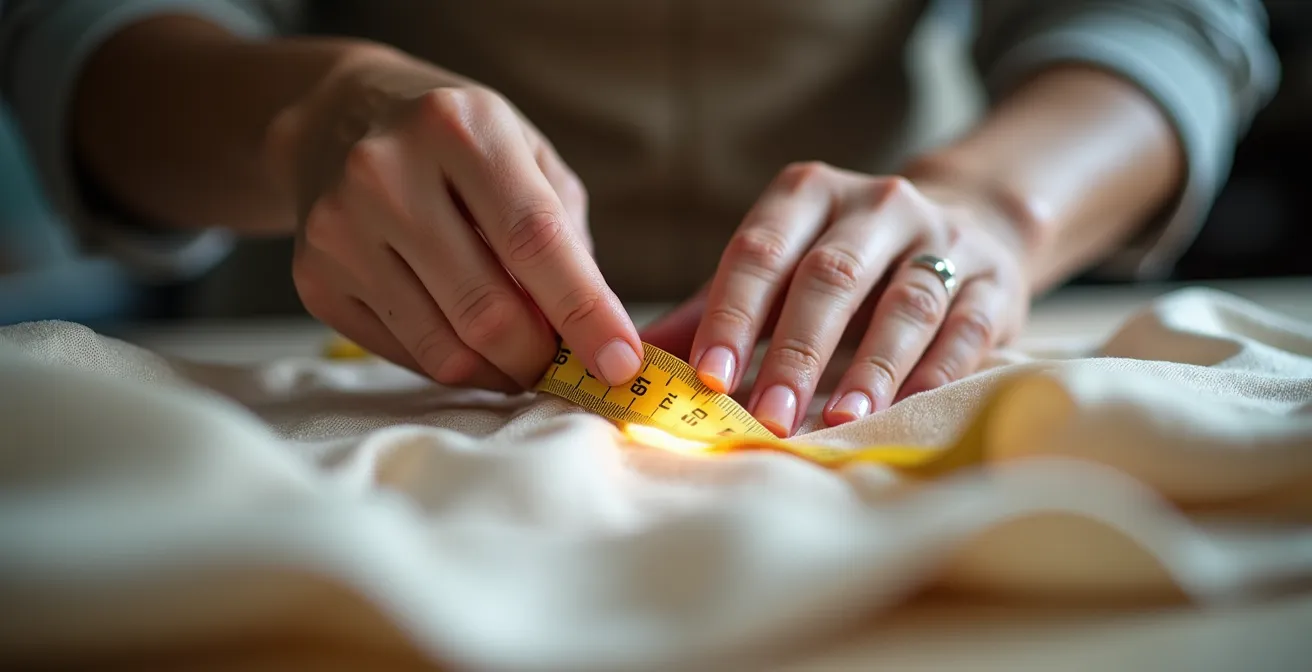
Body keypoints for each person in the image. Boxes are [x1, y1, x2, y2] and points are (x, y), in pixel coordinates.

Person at [0, 0, 1279, 437]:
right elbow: (73, 34)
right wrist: (303, 120)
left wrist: (997, 203)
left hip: (886, 344)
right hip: (361, 361)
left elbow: (1166, 17)